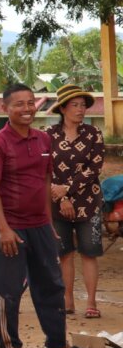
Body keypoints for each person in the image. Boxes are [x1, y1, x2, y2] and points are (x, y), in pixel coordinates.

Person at [0, 84, 76, 348]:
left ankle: (57, 345)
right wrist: (4, 228)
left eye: (30, 102)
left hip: (40, 226)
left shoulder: (44, 140)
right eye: (19, 104)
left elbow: (45, 182)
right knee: (7, 291)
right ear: (5, 109)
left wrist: (49, 221)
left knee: (52, 285)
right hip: (8, 228)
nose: (26, 108)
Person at [47, 84, 105, 319]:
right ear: (62, 108)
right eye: (75, 105)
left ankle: (91, 301)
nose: (81, 110)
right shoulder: (48, 135)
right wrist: (58, 195)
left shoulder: (93, 134)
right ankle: (67, 299)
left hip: (89, 202)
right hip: (56, 202)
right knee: (64, 253)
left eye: (83, 105)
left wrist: (66, 191)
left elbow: (95, 168)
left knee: (89, 252)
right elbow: (44, 168)